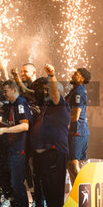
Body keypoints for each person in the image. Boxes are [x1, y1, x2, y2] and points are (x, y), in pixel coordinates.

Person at [30, 64, 70, 207]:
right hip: (46, 156)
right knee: (48, 193)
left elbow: (54, 94)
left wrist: (52, 75)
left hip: (55, 153)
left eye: (47, 90)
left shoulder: (60, 104)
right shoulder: (47, 107)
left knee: (54, 194)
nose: (44, 93)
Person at [66, 68, 91, 184]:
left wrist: (68, 127)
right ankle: (78, 195)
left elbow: (75, 114)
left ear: (82, 78)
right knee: (74, 164)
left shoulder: (79, 91)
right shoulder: (75, 90)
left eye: (76, 73)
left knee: (72, 163)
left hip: (77, 130)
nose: (73, 74)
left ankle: (81, 193)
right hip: (80, 131)